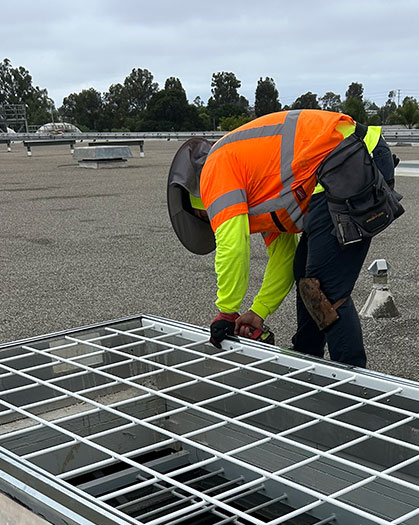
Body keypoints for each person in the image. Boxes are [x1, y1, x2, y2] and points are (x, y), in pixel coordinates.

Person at [166, 109, 401, 368]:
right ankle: (308, 358)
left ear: (199, 203)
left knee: (322, 287)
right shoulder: (254, 190)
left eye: (206, 217)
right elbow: (284, 258)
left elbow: (232, 248)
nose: (213, 219)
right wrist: (259, 311)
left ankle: (353, 385)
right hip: (345, 160)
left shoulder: (214, 173)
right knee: (304, 270)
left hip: (348, 158)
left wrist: (227, 311)